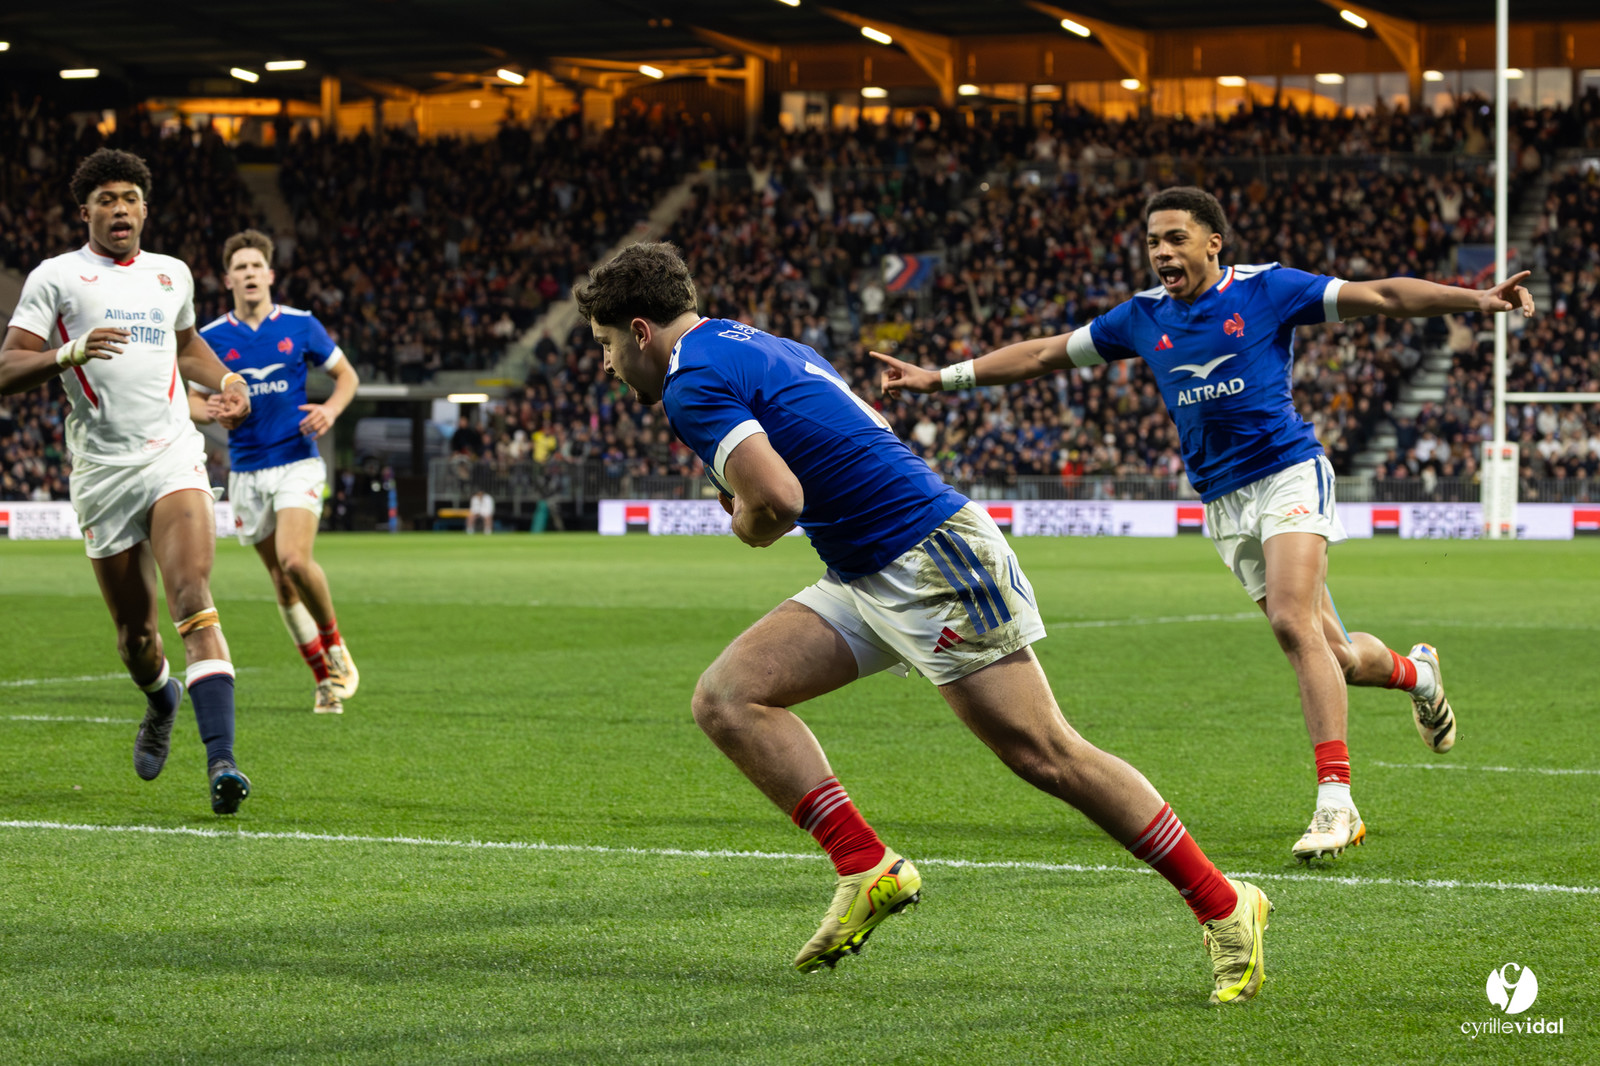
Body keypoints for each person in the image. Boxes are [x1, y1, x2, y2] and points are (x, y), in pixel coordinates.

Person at [576, 241, 1273, 1005]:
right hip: (868, 567)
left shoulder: (691, 381)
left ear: (639, 330)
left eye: (607, 345)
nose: (608, 364)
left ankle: (1224, 902)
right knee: (729, 696)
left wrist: (745, 521)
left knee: (1046, 754)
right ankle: (866, 866)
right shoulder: (750, 342)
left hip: (928, 559)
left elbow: (777, 503)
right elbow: (862, 419)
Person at [875, 186, 1537, 862]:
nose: (1162, 251)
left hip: (1289, 473)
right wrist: (939, 380)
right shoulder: (1141, 318)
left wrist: (1476, 299)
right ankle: (1416, 674)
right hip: (1223, 502)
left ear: (1212, 242)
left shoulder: (1268, 291)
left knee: (1290, 621)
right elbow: (1044, 355)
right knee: (1331, 653)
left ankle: (1337, 803)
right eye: (1153, 241)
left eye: (1175, 238)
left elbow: (1384, 298)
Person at [0, 148, 255, 814]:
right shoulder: (55, 278)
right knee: (137, 638)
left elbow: (187, 344)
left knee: (194, 598)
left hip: (173, 457)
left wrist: (225, 378)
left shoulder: (171, 275)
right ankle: (160, 696)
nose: (120, 208)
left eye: (130, 197)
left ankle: (222, 762)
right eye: (107, 199)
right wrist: (71, 351)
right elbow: (7, 367)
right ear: (84, 211)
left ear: (146, 209)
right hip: (103, 474)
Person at [191, 229, 360, 716]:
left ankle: (336, 648)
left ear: (269, 275)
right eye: (238, 268)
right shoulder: (211, 338)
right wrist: (211, 411)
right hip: (246, 472)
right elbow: (185, 397)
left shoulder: (302, 326)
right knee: (282, 584)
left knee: (293, 560)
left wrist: (330, 409)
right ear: (228, 280)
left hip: (297, 461)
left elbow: (347, 376)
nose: (248, 274)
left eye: (254, 266)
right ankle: (326, 681)